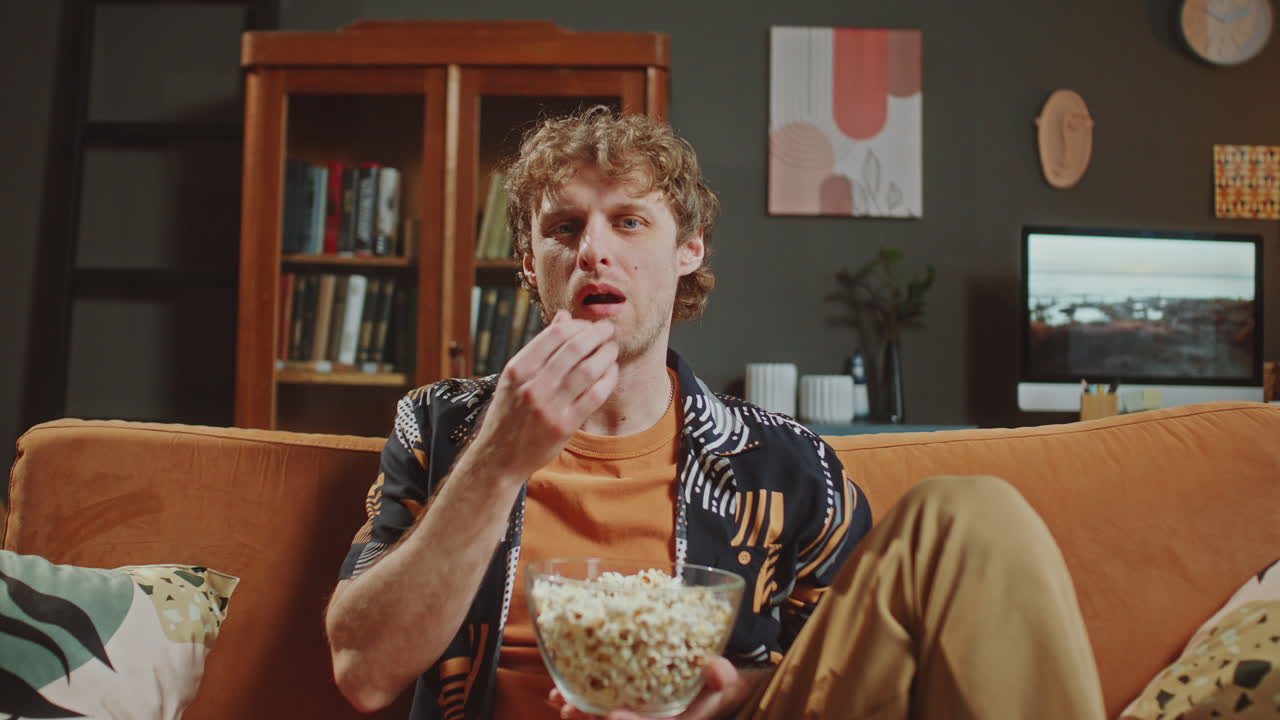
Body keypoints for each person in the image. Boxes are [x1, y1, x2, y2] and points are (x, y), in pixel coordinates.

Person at [324, 107, 1107, 720]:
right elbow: (364, 672)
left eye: (630, 221)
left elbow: (856, 673)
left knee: (971, 514)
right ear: (532, 262)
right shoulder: (442, 427)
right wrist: (498, 459)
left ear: (688, 250)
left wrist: (739, 696)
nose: (593, 249)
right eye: (564, 227)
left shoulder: (787, 463)